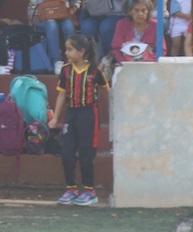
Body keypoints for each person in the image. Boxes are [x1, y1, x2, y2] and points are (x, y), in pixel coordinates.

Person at [48, 34, 108, 207]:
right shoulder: (66, 70)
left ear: (82, 52)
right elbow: (61, 95)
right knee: (67, 152)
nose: (66, 53)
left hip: (88, 114)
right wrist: (56, 118)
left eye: (70, 49)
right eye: (66, 49)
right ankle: (71, 188)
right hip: (71, 114)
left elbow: (106, 91)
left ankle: (89, 191)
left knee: (85, 153)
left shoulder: (94, 71)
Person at [28, 0, 76, 67]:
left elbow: (73, 4)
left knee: (68, 26)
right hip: (41, 18)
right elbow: (31, 8)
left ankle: (73, 58)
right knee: (52, 25)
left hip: (61, 15)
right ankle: (56, 61)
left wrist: (72, 8)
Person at [110, 0, 160, 64]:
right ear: (130, 11)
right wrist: (123, 62)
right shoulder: (121, 24)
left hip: (149, 63)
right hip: (126, 63)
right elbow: (116, 48)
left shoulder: (155, 25)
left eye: (143, 10)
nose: (140, 14)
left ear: (148, 12)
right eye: (136, 10)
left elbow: (162, 50)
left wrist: (150, 61)